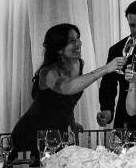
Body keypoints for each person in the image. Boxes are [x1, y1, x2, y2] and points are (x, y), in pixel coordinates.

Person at [9, 24, 125, 158]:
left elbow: (67, 101)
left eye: (78, 38)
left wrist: (71, 122)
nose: (78, 43)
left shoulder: (78, 64)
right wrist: (105, 69)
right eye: (71, 41)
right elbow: (67, 88)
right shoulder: (47, 73)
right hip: (33, 133)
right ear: (58, 49)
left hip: (58, 133)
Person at [99, 0, 136, 135]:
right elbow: (108, 84)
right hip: (127, 117)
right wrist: (107, 108)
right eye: (132, 25)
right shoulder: (117, 49)